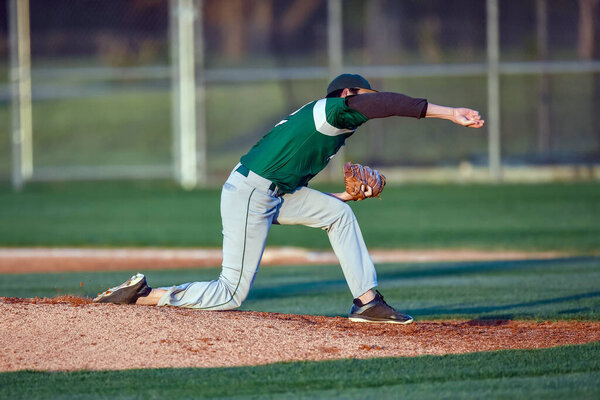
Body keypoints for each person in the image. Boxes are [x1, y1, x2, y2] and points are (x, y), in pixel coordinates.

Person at [94, 74, 484, 324]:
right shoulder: (332, 110)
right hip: (250, 193)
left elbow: (290, 191)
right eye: (363, 96)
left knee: (337, 213)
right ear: (347, 94)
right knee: (230, 294)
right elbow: (387, 105)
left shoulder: (325, 133)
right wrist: (449, 113)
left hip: (266, 192)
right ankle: (146, 295)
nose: (368, 104)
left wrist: (345, 194)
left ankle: (367, 303)